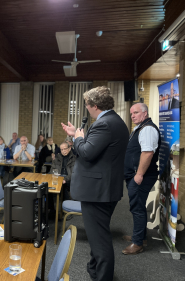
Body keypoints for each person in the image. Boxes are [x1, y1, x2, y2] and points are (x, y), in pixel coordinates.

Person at [62, 86, 129, 281]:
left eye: (87, 105)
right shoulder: (115, 121)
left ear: (95, 106)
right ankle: (94, 268)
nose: (86, 108)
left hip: (98, 192)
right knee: (98, 234)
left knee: (100, 240)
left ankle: (102, 277)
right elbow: (93, 151)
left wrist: (78, 138)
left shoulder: (105, 124)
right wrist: (76, 135)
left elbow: (87, 153)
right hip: (105, 189)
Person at [123, 103, 160, 255]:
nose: (132, 116)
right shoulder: (140, 128)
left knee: (137, 208)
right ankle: (140, 236)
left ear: (145, 113)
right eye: (131, 113)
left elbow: (147, 153)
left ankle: (138, 243)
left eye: (136, 113)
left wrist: (139, 174)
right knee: (137, 206)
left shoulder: (148, 129)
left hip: (141, 176)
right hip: (135, 175)